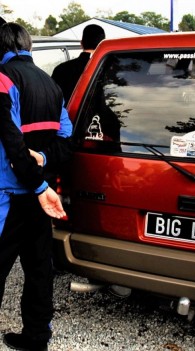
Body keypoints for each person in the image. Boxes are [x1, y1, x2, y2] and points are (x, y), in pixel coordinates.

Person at [0, 23, 72, 351]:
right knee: (39, 270)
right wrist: (43, 158)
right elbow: (66, 143)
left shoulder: (3, 78)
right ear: (28, 45)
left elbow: (12, 145)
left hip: (8, 196)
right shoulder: (53, 85)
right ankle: (37, 338)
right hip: (38, 199)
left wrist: (40, 184)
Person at [51, 24, 105, 105]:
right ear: (102, 45)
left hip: (63, 116)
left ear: (81, 43)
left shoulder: (60, 69)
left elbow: (52, 100)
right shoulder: (105, 68)